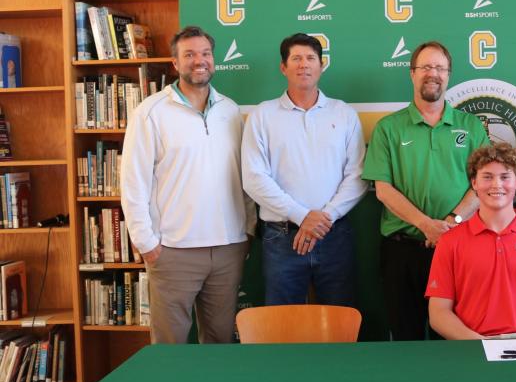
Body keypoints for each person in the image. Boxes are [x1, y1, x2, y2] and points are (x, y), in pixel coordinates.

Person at [121, 26, 255, 344]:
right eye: (190, 54)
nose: (200, 61)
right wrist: (146, 243)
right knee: (170, 346)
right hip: (173, 250)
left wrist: (248, 230)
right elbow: (133, 182)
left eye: (206, 54)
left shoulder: (231, 110)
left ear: (214, 59)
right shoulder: (150, 113)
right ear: (175, 63)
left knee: (220, 340)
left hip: (227, 247)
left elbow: (244, 176)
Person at [362, 41, 489, 340]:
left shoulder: (470, 126)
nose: (433, 74)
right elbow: (383, 189)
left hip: (459, 248)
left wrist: (451, 223)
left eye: (440, 68)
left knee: (458, 338)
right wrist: (427, 226)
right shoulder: (388, 128)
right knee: (407, 337)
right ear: (412, 74)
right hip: (402, 250)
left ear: (449, 75)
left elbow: (483, 184)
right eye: (426, 67)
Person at [242, 33, 366, 306]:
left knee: (339, 320)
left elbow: (357, 176)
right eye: (296, 58)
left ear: (321, 66)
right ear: (283, 67)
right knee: (283, 324)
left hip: (334, 233)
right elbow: (254, 178)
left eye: (311, 58)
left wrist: (323, 219)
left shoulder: (343, 113)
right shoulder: (262, 115)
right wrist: (301, 216)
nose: (304, 64)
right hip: (281, 236)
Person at [426, 143, 516, 339]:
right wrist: (479, 343)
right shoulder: (450, 242)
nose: (496, 185)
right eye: (487, 177)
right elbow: (438, 313)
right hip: (471, 344)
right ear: (474, 183)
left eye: (505, 177)